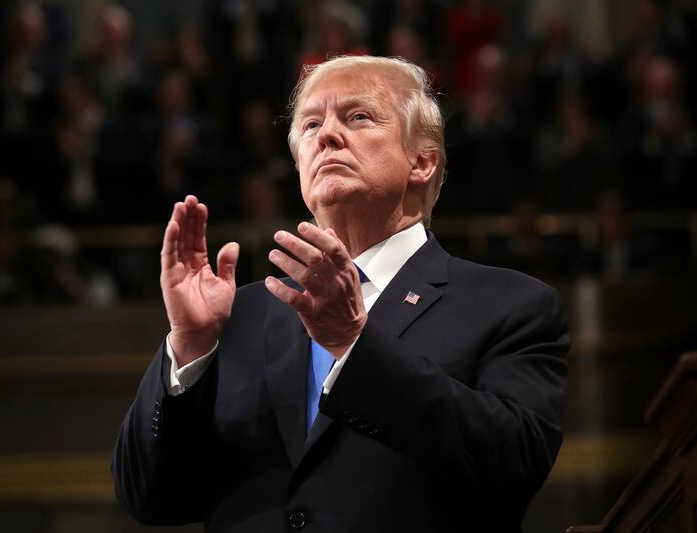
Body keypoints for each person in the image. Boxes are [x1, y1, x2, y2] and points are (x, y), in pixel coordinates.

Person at [111, 56, 569, 532]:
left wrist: (353, 344)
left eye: (358, 116)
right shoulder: (235, 315)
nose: (326, 134)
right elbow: (147, 498)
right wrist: (188, 348)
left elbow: (513, 465)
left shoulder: (509, 305)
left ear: (422, 162)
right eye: (311, 125)